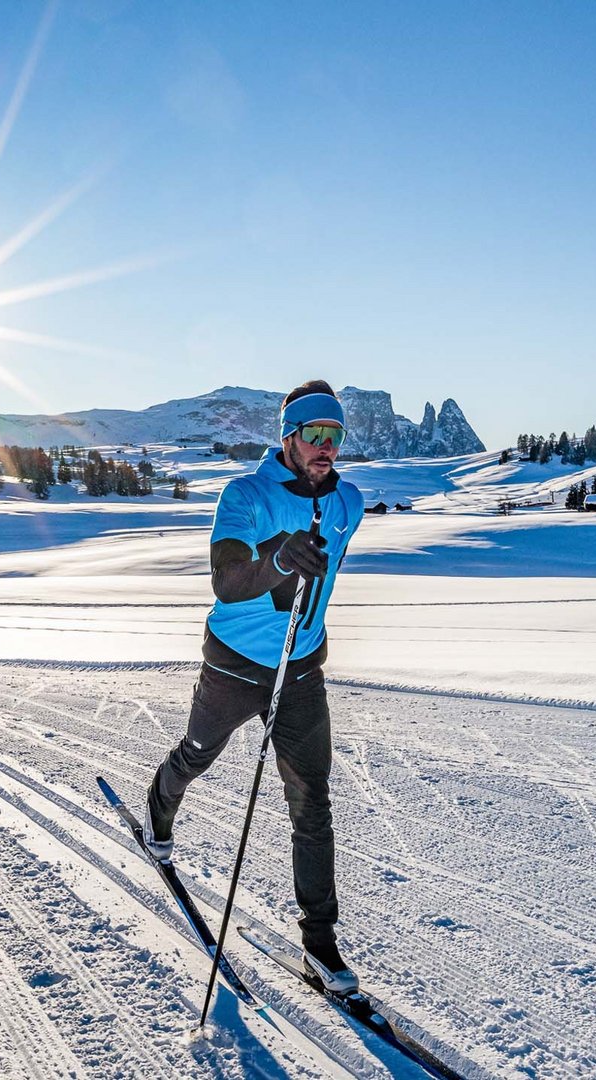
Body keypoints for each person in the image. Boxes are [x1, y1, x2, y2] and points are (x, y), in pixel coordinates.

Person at [146, 379, 365, 992]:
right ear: (288, 436)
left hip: (301, 669)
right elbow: (227, 580)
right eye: (314, 435)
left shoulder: (349, 503)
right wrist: (279, 559)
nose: (325, 447)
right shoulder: (244, 495)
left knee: (311, 800)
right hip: (235, 664)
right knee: (198, 754)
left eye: (335, 436)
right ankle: (160, 804)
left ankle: (320, 944)